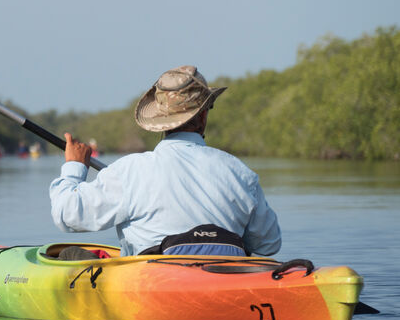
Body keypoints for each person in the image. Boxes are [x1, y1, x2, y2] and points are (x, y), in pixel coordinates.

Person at [49, 65, 281, 257]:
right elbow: (269, 244)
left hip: (150, 291)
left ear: (159, 119)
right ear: (203, 116)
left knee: (69, 255)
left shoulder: (130, 171)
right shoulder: (240, 173)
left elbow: (67, 216)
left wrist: (75, 166)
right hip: (228, 288)